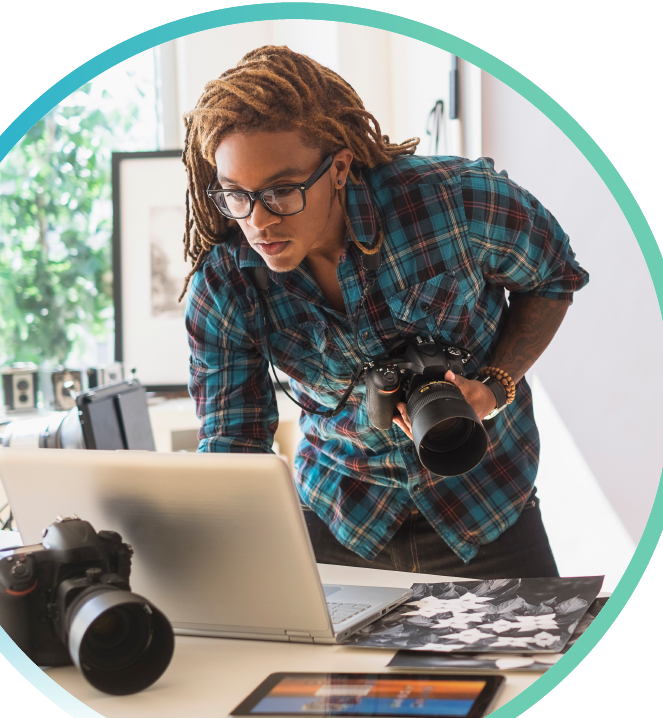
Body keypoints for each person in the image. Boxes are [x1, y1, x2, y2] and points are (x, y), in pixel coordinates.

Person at [181, 46, 589, 579]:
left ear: (339, 168)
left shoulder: (455, 201)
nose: (257, 221)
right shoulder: (225, 283)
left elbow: (554, 276)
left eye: (282, 191)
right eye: (236, 195)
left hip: (487, 505)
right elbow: (233, 444)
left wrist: (493, 384)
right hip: (339, 519)